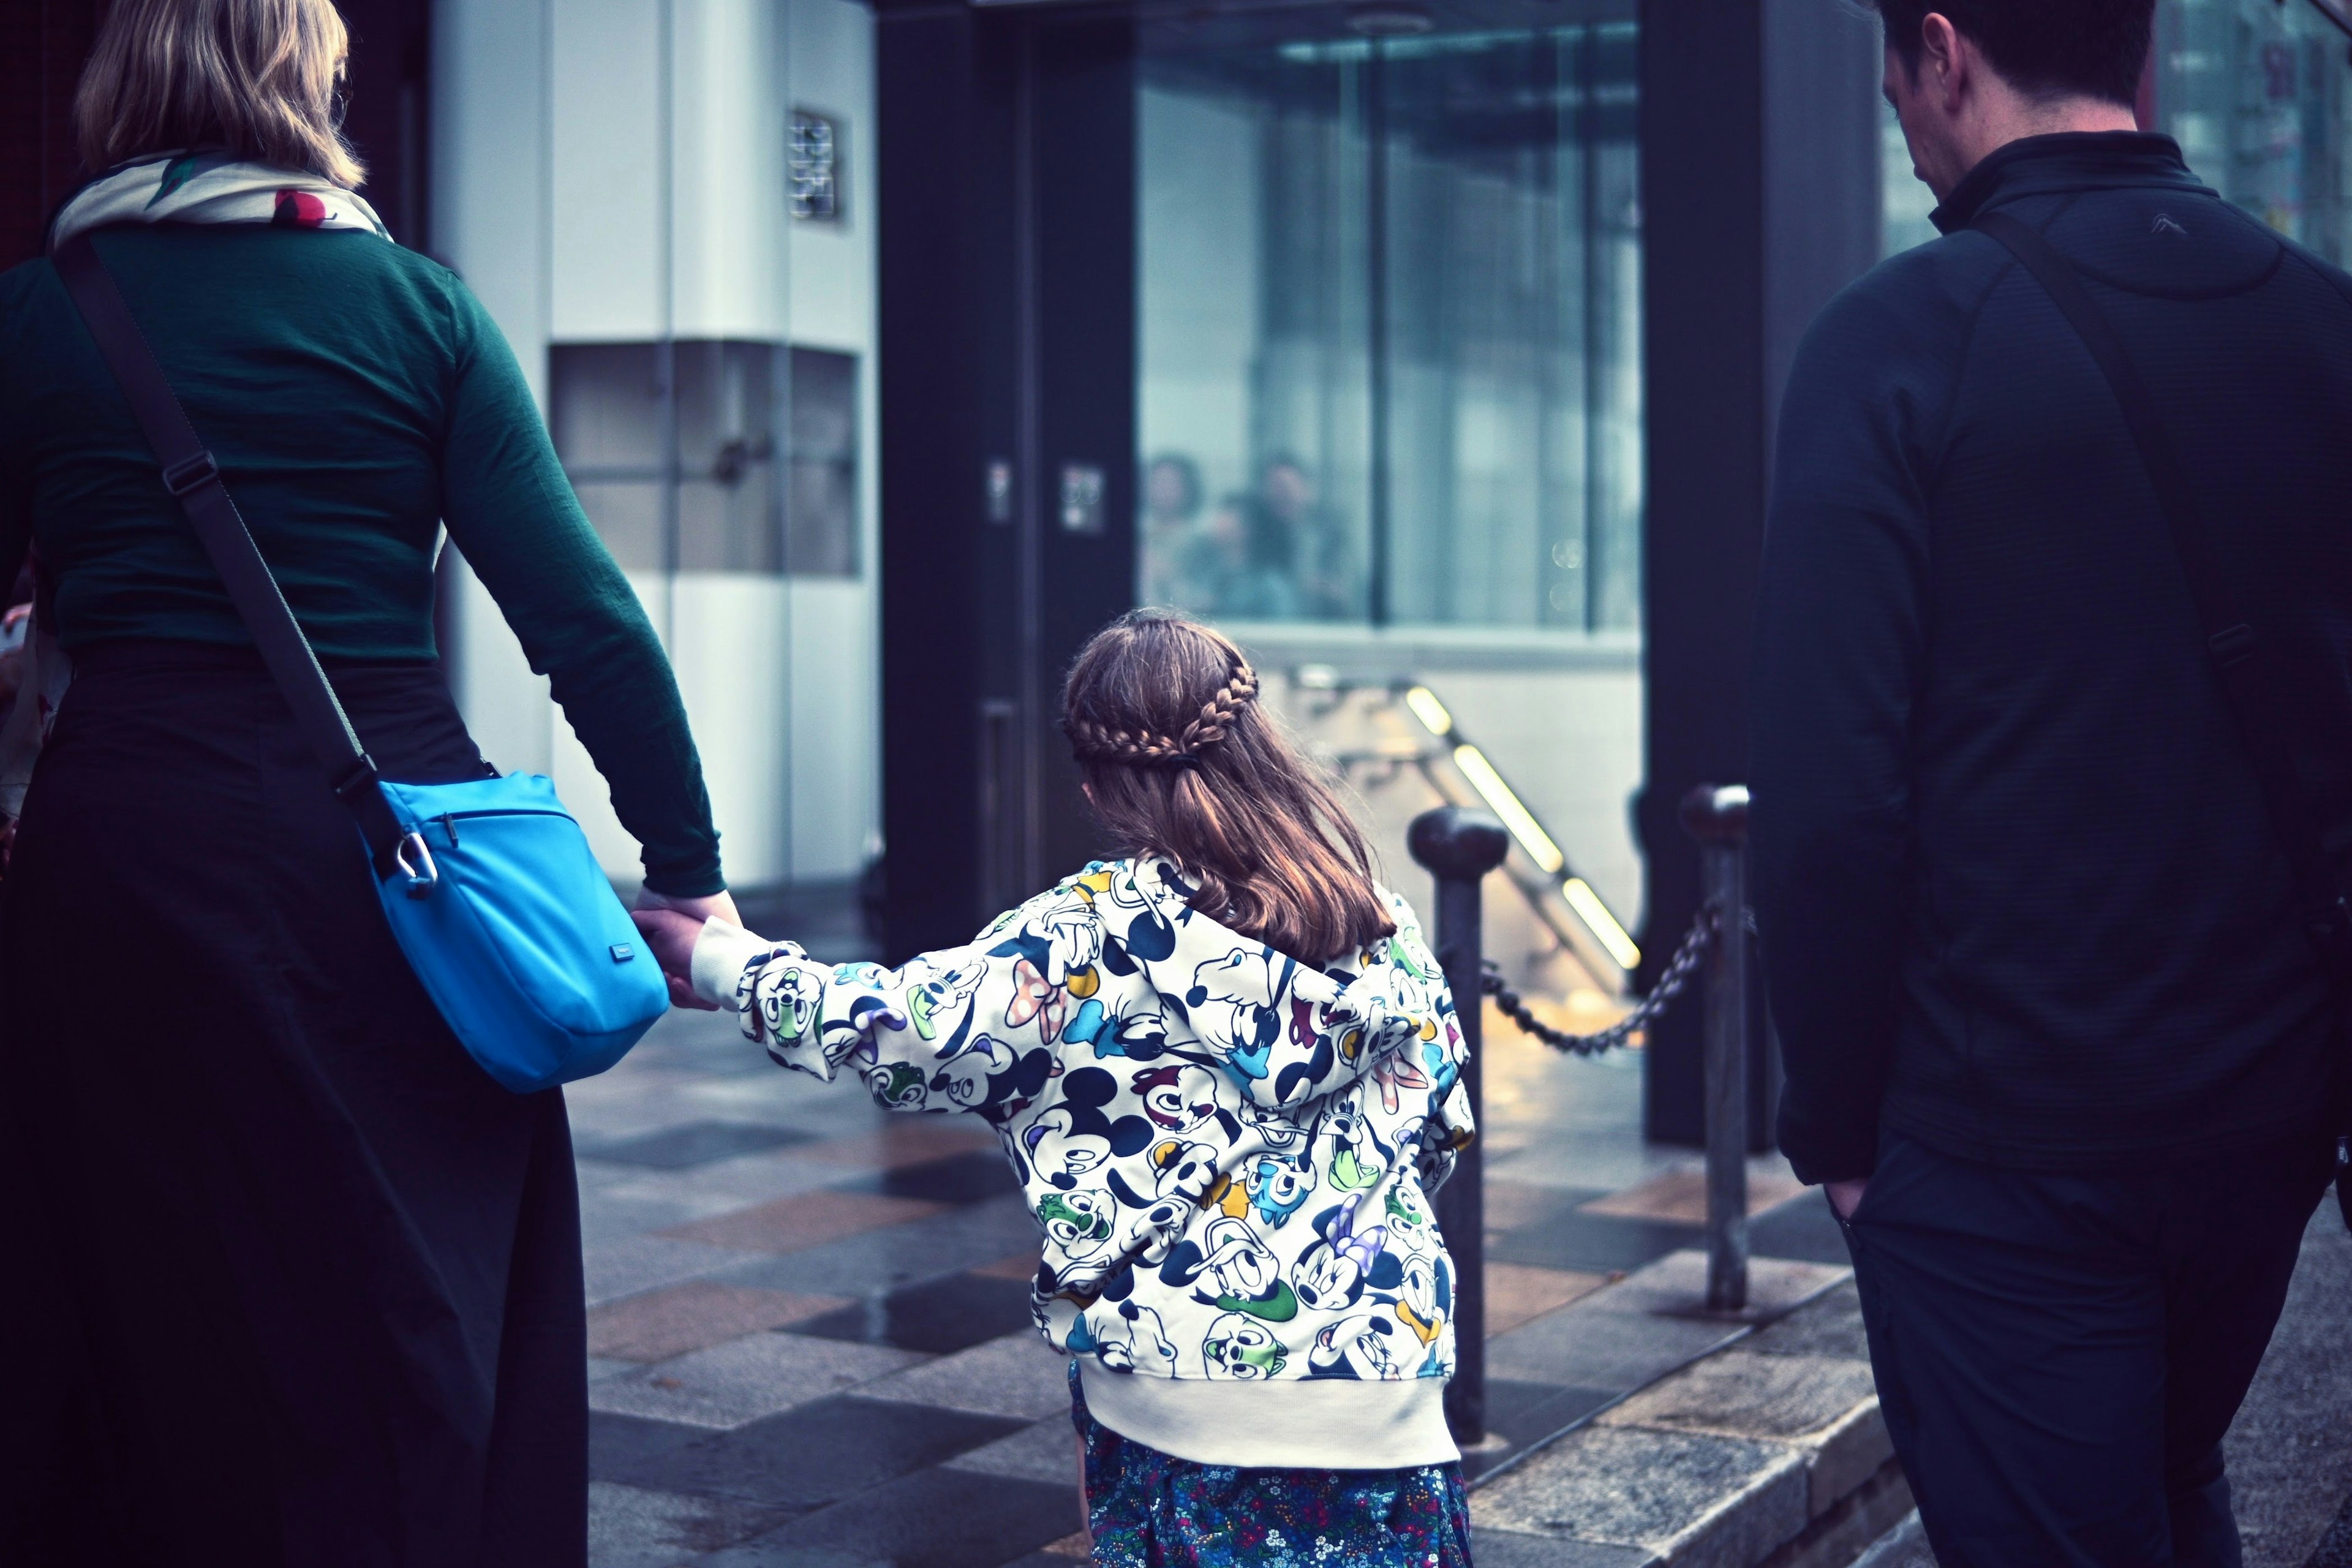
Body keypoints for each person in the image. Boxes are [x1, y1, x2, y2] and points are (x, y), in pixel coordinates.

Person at [0, 2, 736, 1562]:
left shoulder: (37, 313)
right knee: (419, 1276)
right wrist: (685, 867)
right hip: (390, 853)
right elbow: (584, 619)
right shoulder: (417, 312)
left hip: (118, 832)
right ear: (307, 82)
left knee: (128, 1268)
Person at [1749, 3, 2352, 1564]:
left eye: (1893, 75)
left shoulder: (1893, 341)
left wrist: (1839, 1132)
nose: (1896, 109)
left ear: (1941, 53)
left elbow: (1829, 801)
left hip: (2002, 1141)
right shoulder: (2325, 324)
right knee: (2167, 1474)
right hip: (2270, 1121)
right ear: (2142, 53)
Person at [634, 611, 1477, 1568]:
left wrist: (716, 961)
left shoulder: (1087, 939)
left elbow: (898, 1026)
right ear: (1258, 741)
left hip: (1184, 1404)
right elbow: (1438, 1130)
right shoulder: (1383, 925)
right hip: (1392, 1399)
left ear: (1095, 784)